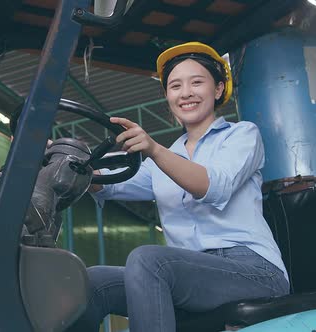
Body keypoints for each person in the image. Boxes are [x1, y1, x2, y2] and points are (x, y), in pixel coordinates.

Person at [67, 42, 290, 332]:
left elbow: (214, 186)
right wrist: (65, 161)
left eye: (197, 82)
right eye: (175, 86)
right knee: (92, 281)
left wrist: (155, 150)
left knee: (148, 260)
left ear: (219, 89)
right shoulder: (160, 160)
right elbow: (106, 184)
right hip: (188, 273)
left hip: (252, 270)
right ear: (168, 96)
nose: (185, 93)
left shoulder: (241, 136)